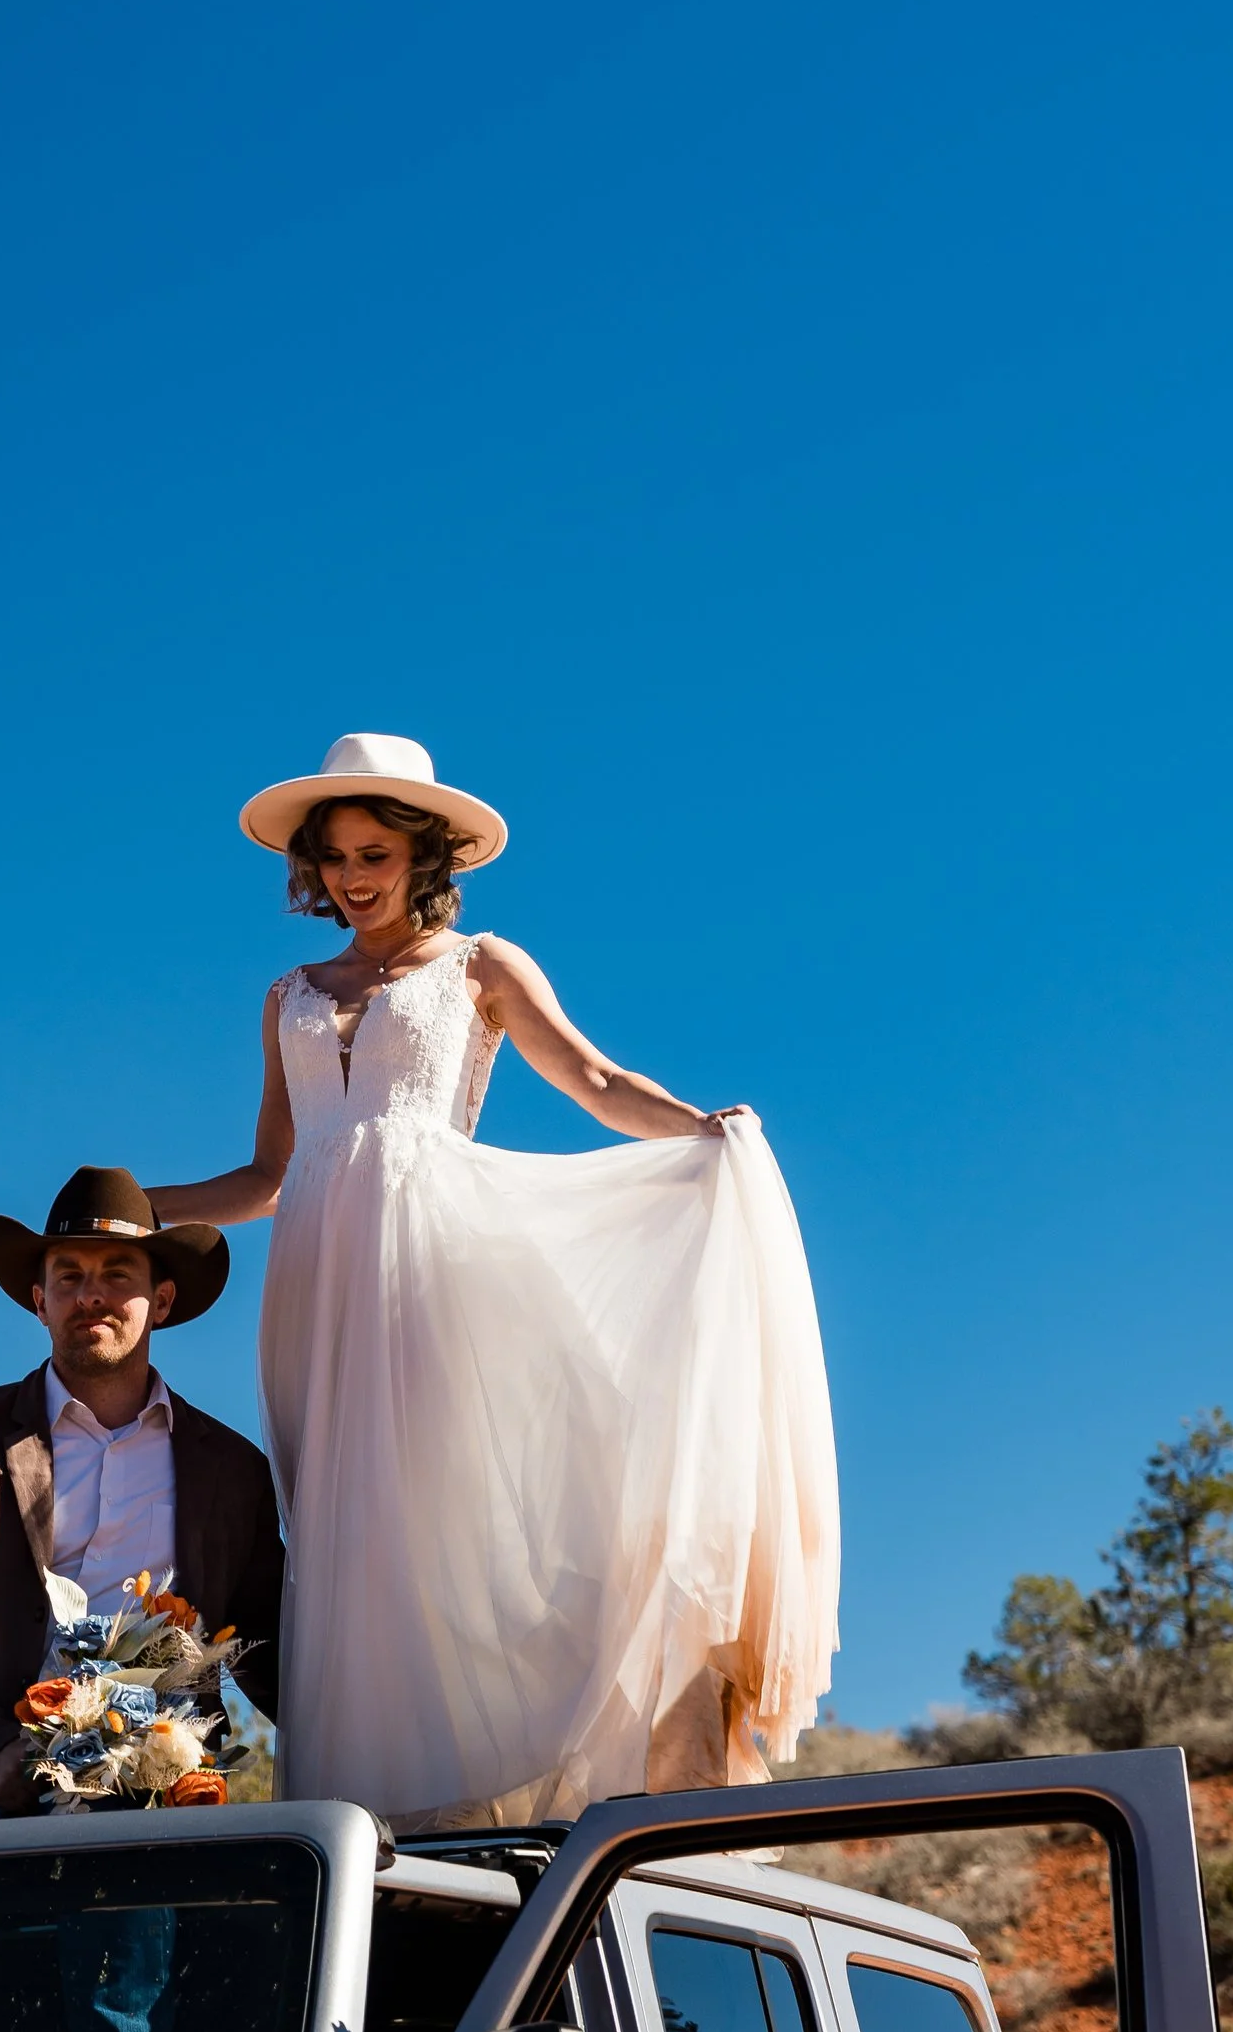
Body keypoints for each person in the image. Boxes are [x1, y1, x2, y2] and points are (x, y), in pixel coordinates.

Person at [148, 734, 838, 1830]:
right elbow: (270, 1174)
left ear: (426, 854)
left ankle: (522, 1781)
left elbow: (595, 1076)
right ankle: (379, 1817)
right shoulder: (287, 993)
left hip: (436, 1264)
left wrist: (703, 1130)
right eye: (332, 857)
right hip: (317, 1292)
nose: (351, 875)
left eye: (373, 850)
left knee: (451, 1514)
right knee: (345, 1544)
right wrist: (143, 1207)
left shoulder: (480, 966)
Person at [0, 1168, 285, 1833]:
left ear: (164, 1299)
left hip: (146, 1770)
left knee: (126, 1927)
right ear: (40, 1301)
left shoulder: (232, 1471)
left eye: (118, 1273)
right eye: (68, 1276)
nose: (90, 1295)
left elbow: (270, 1643)